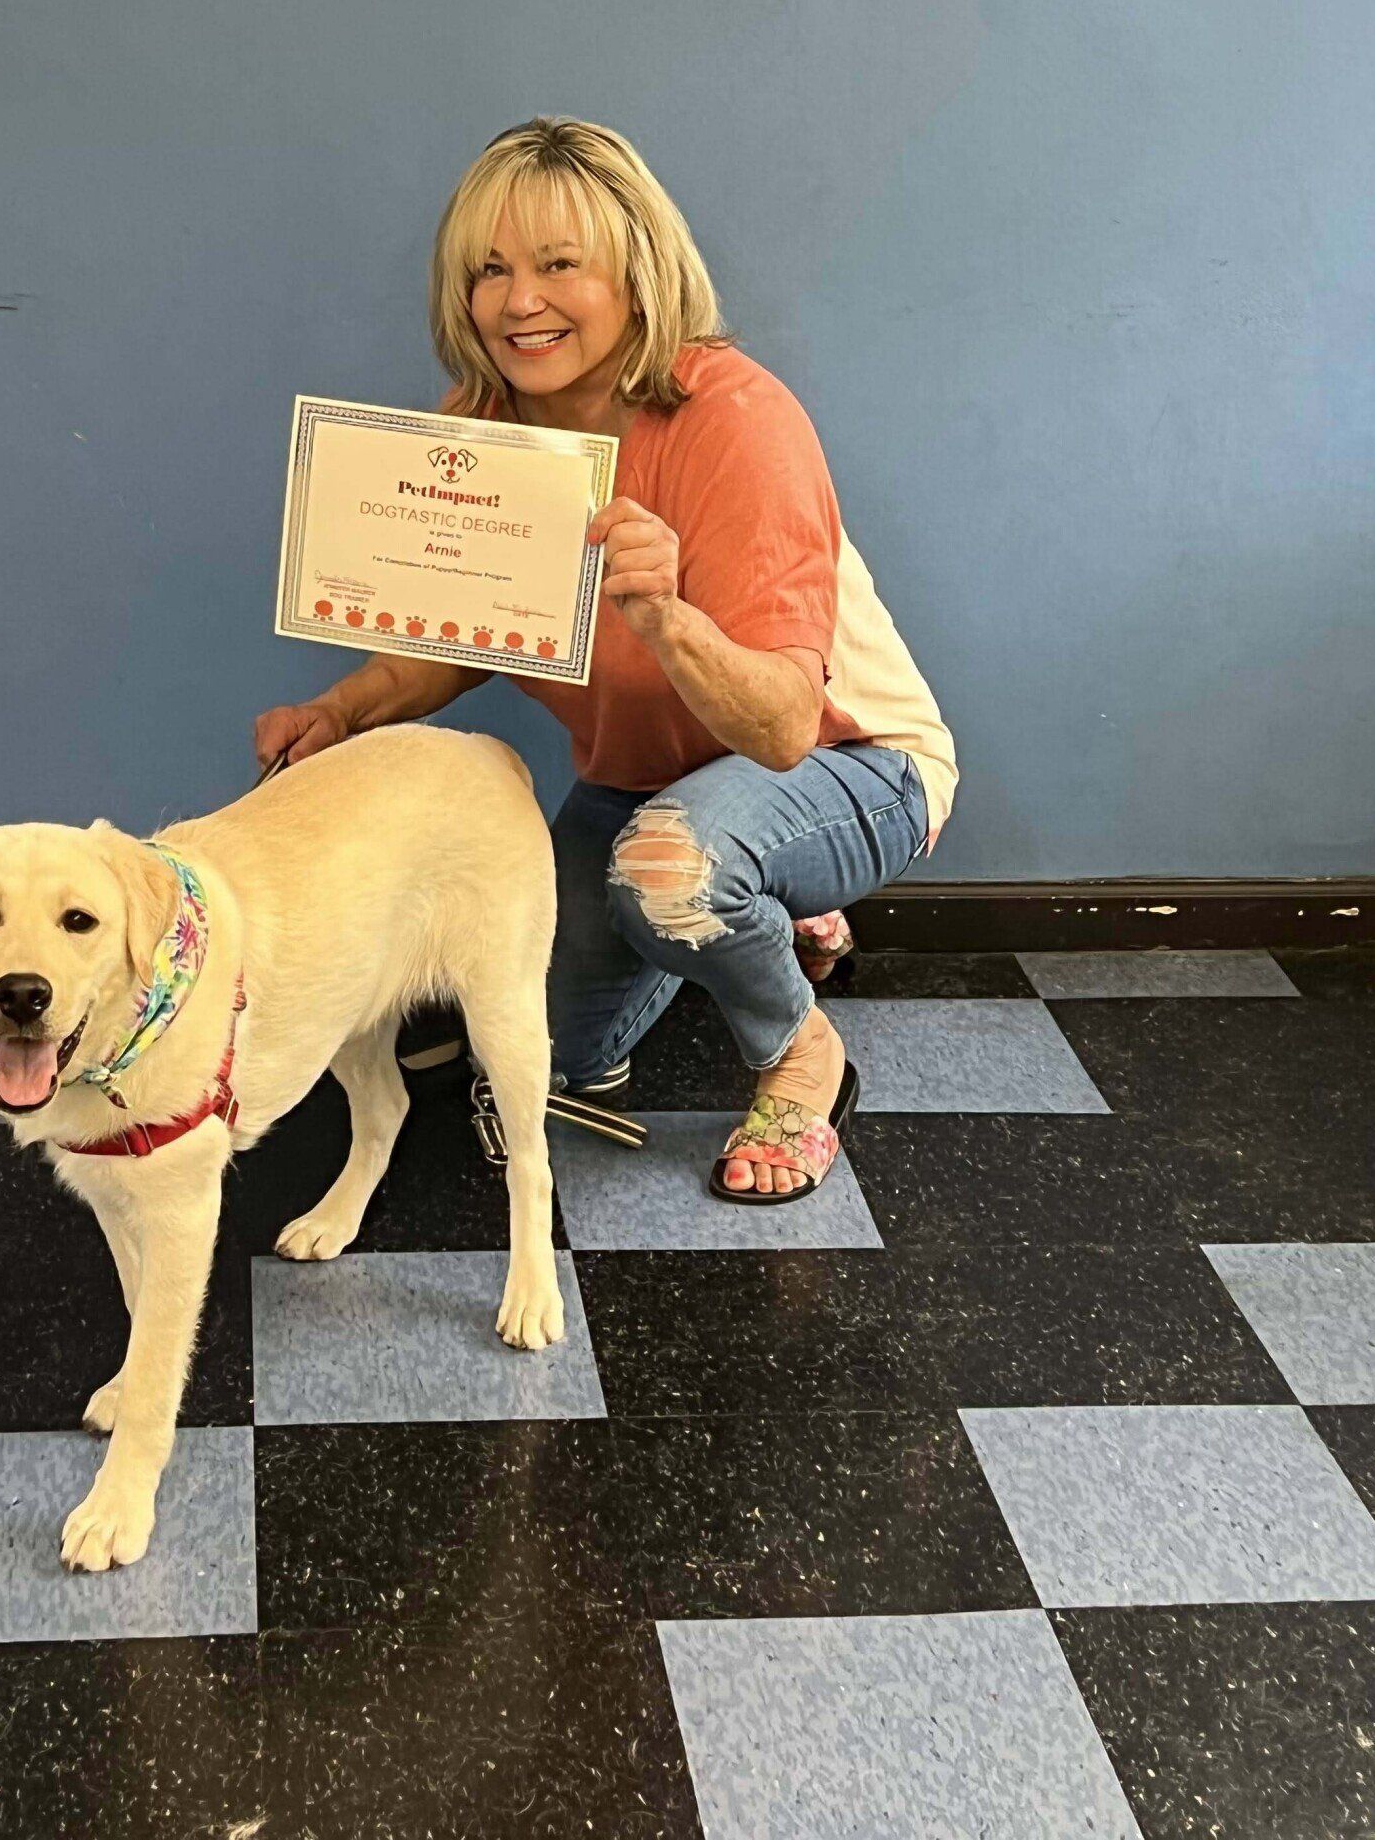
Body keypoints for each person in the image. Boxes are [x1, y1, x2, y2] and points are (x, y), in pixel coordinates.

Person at [255, 116, 957, 1205]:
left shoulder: (738, 421)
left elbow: (778, 730)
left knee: (668, 871)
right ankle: (766, 909)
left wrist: (668, 615)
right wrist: (343, 712)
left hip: (846, 762)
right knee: (537, 1054)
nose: (517, 300)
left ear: (634, 269)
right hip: (644, 786)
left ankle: (795, 1048)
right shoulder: (486, 424)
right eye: (490, 270)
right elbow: (456, 641)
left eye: (557, 264)